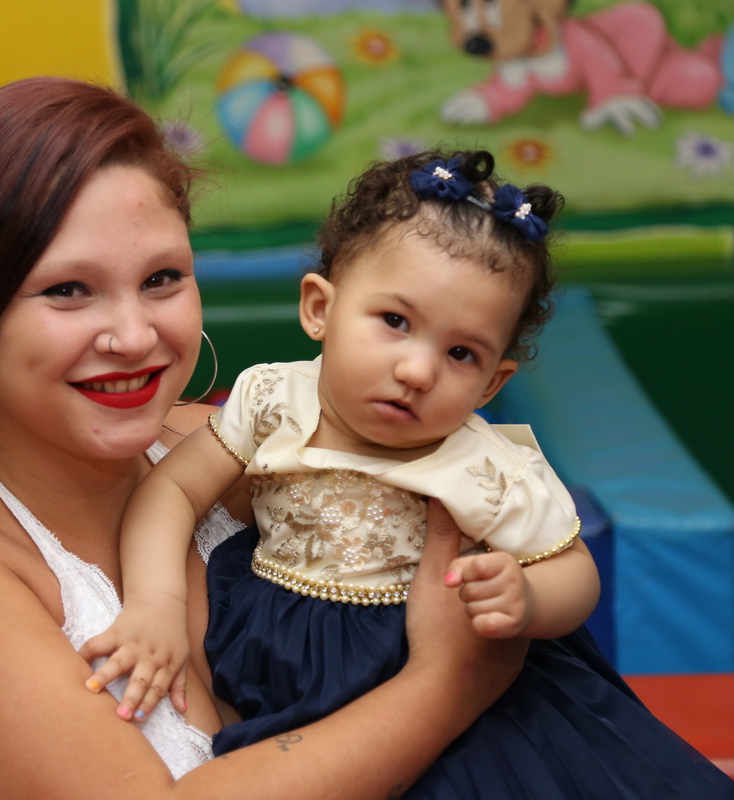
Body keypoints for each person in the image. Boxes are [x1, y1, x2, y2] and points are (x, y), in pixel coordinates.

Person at [0, 78, 534, 800]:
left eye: (162, 278)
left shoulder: (243, 456)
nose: (135, 337)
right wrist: (444, 684)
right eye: (68, 290)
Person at [85, 151, 734, 798]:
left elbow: (575, 570)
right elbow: (172, 489)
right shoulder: (274, 401)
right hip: (283, 658)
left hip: (443, 690)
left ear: (492, 383)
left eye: (461, 353)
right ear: (319, 308)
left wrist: (528, 597)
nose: (418, 371)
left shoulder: (485, 466)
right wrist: (155, 606)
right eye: (395, 322)